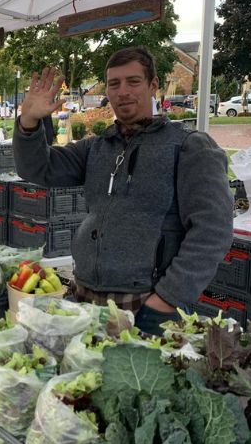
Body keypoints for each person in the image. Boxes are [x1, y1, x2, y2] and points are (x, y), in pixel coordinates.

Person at [12, 47, 233, 335]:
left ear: (153, 85)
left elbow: (212, 230)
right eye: (114, 84)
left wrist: (167, 298)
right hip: (86, 298)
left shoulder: (189, 147)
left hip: (148, 305)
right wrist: (28, 123)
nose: (122, 91)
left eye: (133, 81)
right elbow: (39, 169)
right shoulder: (97, 147)